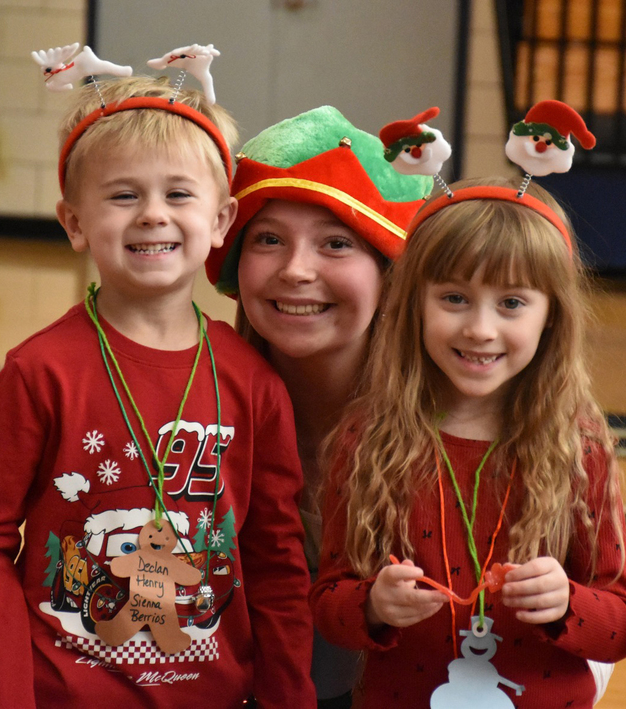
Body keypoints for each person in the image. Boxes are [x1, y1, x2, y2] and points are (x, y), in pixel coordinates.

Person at [0, 74, 316, 707]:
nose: (152, 213)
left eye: (178, 193)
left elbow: (275, 562)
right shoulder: (39, 372)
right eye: (122, 195)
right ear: (75, 222)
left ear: (221, 219)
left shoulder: (253, 382)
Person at [310, 176, 626, 708]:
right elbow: (329, 605)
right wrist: (372, 605)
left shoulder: (578, 447)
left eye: (511, 302)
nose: (480, 329)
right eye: (454, 298)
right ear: (414, 305)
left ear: (551, 316)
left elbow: (623, 624)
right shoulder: (367, 439)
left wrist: (566, 603)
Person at [205, 106, 432, 708]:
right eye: (269, 239)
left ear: (389, 272)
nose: (296, 270)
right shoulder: (195, 406)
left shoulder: (453, 418)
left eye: (336, 243)